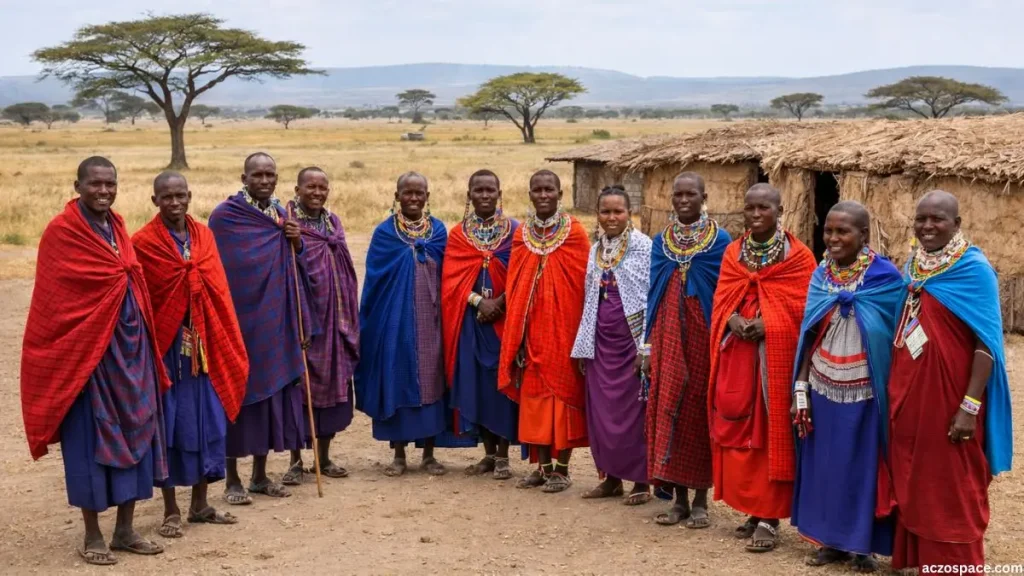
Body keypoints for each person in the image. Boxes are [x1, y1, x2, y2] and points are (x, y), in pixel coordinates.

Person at [21, 156, 167, 565]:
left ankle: (125, 529)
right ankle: (92, 535)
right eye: (95, 184)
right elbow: (55, 304)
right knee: (89, 442)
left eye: (110, 184)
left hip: (131, 350)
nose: (103, 191)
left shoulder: (118, 227)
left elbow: (129, 279)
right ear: (78, 185)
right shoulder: (62, 232)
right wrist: (84, 343)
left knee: (138, 431)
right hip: (86, 359)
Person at [887, 190, 1012, 571]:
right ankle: (923, 557)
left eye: (937, 219)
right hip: (911, 393)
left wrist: (969, 407)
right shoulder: (913, 267)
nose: (927, 226)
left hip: (953, 398)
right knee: (917, 473)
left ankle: (955, 561)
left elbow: (986, 343)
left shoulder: (974, 270)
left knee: (953, 479)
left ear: (956, 224)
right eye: (921, 219)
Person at [133, 171, 249, 538]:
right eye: (166, 197)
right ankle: (170, 510)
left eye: (180, 195)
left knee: (207, 421)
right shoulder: (144, 242)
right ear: (155, 201)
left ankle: (201, 503)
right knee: (168, 424)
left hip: (205, 346)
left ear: (190, 196)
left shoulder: (204, 237)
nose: (175, 203)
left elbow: (218, 289)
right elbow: (144, 301)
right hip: (168, 351)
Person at [790, 201, 902, 572]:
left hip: (867, 388)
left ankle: (862, 545)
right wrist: (801, 385)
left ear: (864, 235)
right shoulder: (820, 275)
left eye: (843, 232)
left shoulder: (885, 277)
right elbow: (809, 333)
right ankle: (830, 541)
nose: (834, 238)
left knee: (863, 465)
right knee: (825, 465)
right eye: (829, 231)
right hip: (823, 383)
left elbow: (892, 335)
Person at [708, 183, 816, 553]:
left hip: (775, 363)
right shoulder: (734, 253)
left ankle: (769, 517)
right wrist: (734, 319)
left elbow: (808, 312)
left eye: (764, 208)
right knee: (739, 431)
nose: (755, 215)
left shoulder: (799, 258)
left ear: (779, 210)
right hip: (739, 359)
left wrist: (770, 325)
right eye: (749, 208)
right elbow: (722, 300)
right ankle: (752, 511)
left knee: (770, 435)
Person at [208, 152, 317, 504]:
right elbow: (218, 270)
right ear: (244, 178)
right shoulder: (225, 217)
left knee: (272, 398)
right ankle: (232, 479)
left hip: (276, 320)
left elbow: (295, 266)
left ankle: (259, 474)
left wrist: (297, 241)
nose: (265, 181)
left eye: (270, 174)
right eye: (258, 175)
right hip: (239, 321)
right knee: (236, 394)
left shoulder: (282, 216)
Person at [643, 172, 730, 528]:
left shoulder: (720, 242)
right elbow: (652, 294)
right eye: (677, 194)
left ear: (703, 197)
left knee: (698, 411)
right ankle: (676, 498)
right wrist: (646, 346)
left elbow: (724, 294)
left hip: (703, 337)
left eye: (690, 194)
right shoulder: (660, 242)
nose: (683, 200)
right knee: (668, 410)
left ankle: (700, 500)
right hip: (666, 336)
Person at [356, 171, 454, 477]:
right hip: (395, 321)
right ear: (397, 196)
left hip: (432, 319)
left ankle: (428, 453)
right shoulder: (385, 233)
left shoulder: (438, 231)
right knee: (396, 377)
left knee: (432, 380)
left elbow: (450, 275)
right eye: (407, 193)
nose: (413, 198)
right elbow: (374, 280)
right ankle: (398, 454)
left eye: (419, 193)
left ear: (427, 196)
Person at [499, 169, 590, 493]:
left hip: (564, 333)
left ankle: (561, 470)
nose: (543, 195)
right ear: (530, 194)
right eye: (537, 190)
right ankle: (542, 466)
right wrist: (518, 336)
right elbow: (516, 286)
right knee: (534, 402)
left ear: (559, 194)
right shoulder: (522, 235)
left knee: (562, 401)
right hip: (531, 333)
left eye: (549, 189)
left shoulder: (576, 234)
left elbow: (583, 287)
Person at [571, 185, 653, 505]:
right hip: (601, 343)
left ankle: (642, 482)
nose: (612, 217)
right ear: (597, 215)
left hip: (631, 343)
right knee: (603, 413)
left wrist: (646, 347)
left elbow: (651, 298)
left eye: (618, 211)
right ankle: (611, 478)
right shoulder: (596, 250)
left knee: (635, 413)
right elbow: (590, 299)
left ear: (629, 213)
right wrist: (583, 346)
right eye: (605, 211)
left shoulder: (644, 247)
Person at [283, 167, 360, 484]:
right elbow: (287, 266)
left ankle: (324, 457)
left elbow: (342, 262)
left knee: (332, 385)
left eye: (322, 187)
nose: (317, 192)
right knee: (301, 389)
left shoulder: (332, 222)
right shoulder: (288, 222)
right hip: (304, 318)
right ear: (297, 188)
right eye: (310, 187)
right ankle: (295, 460)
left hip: (334, 318)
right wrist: (298, 244)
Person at [442, 169, 520, 480]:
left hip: (504, 323)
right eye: (479, 190)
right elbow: (450, 281)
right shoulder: (459, 235)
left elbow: (522, 276)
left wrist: (498, 303)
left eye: (490, 190)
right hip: (472, 323)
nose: (485, 196)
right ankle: (488, 454)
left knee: (501, 385)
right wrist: (479, 302)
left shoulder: (516, 232)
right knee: (476, 385)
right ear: (469, 195)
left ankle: (503, 455)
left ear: (500, 193)